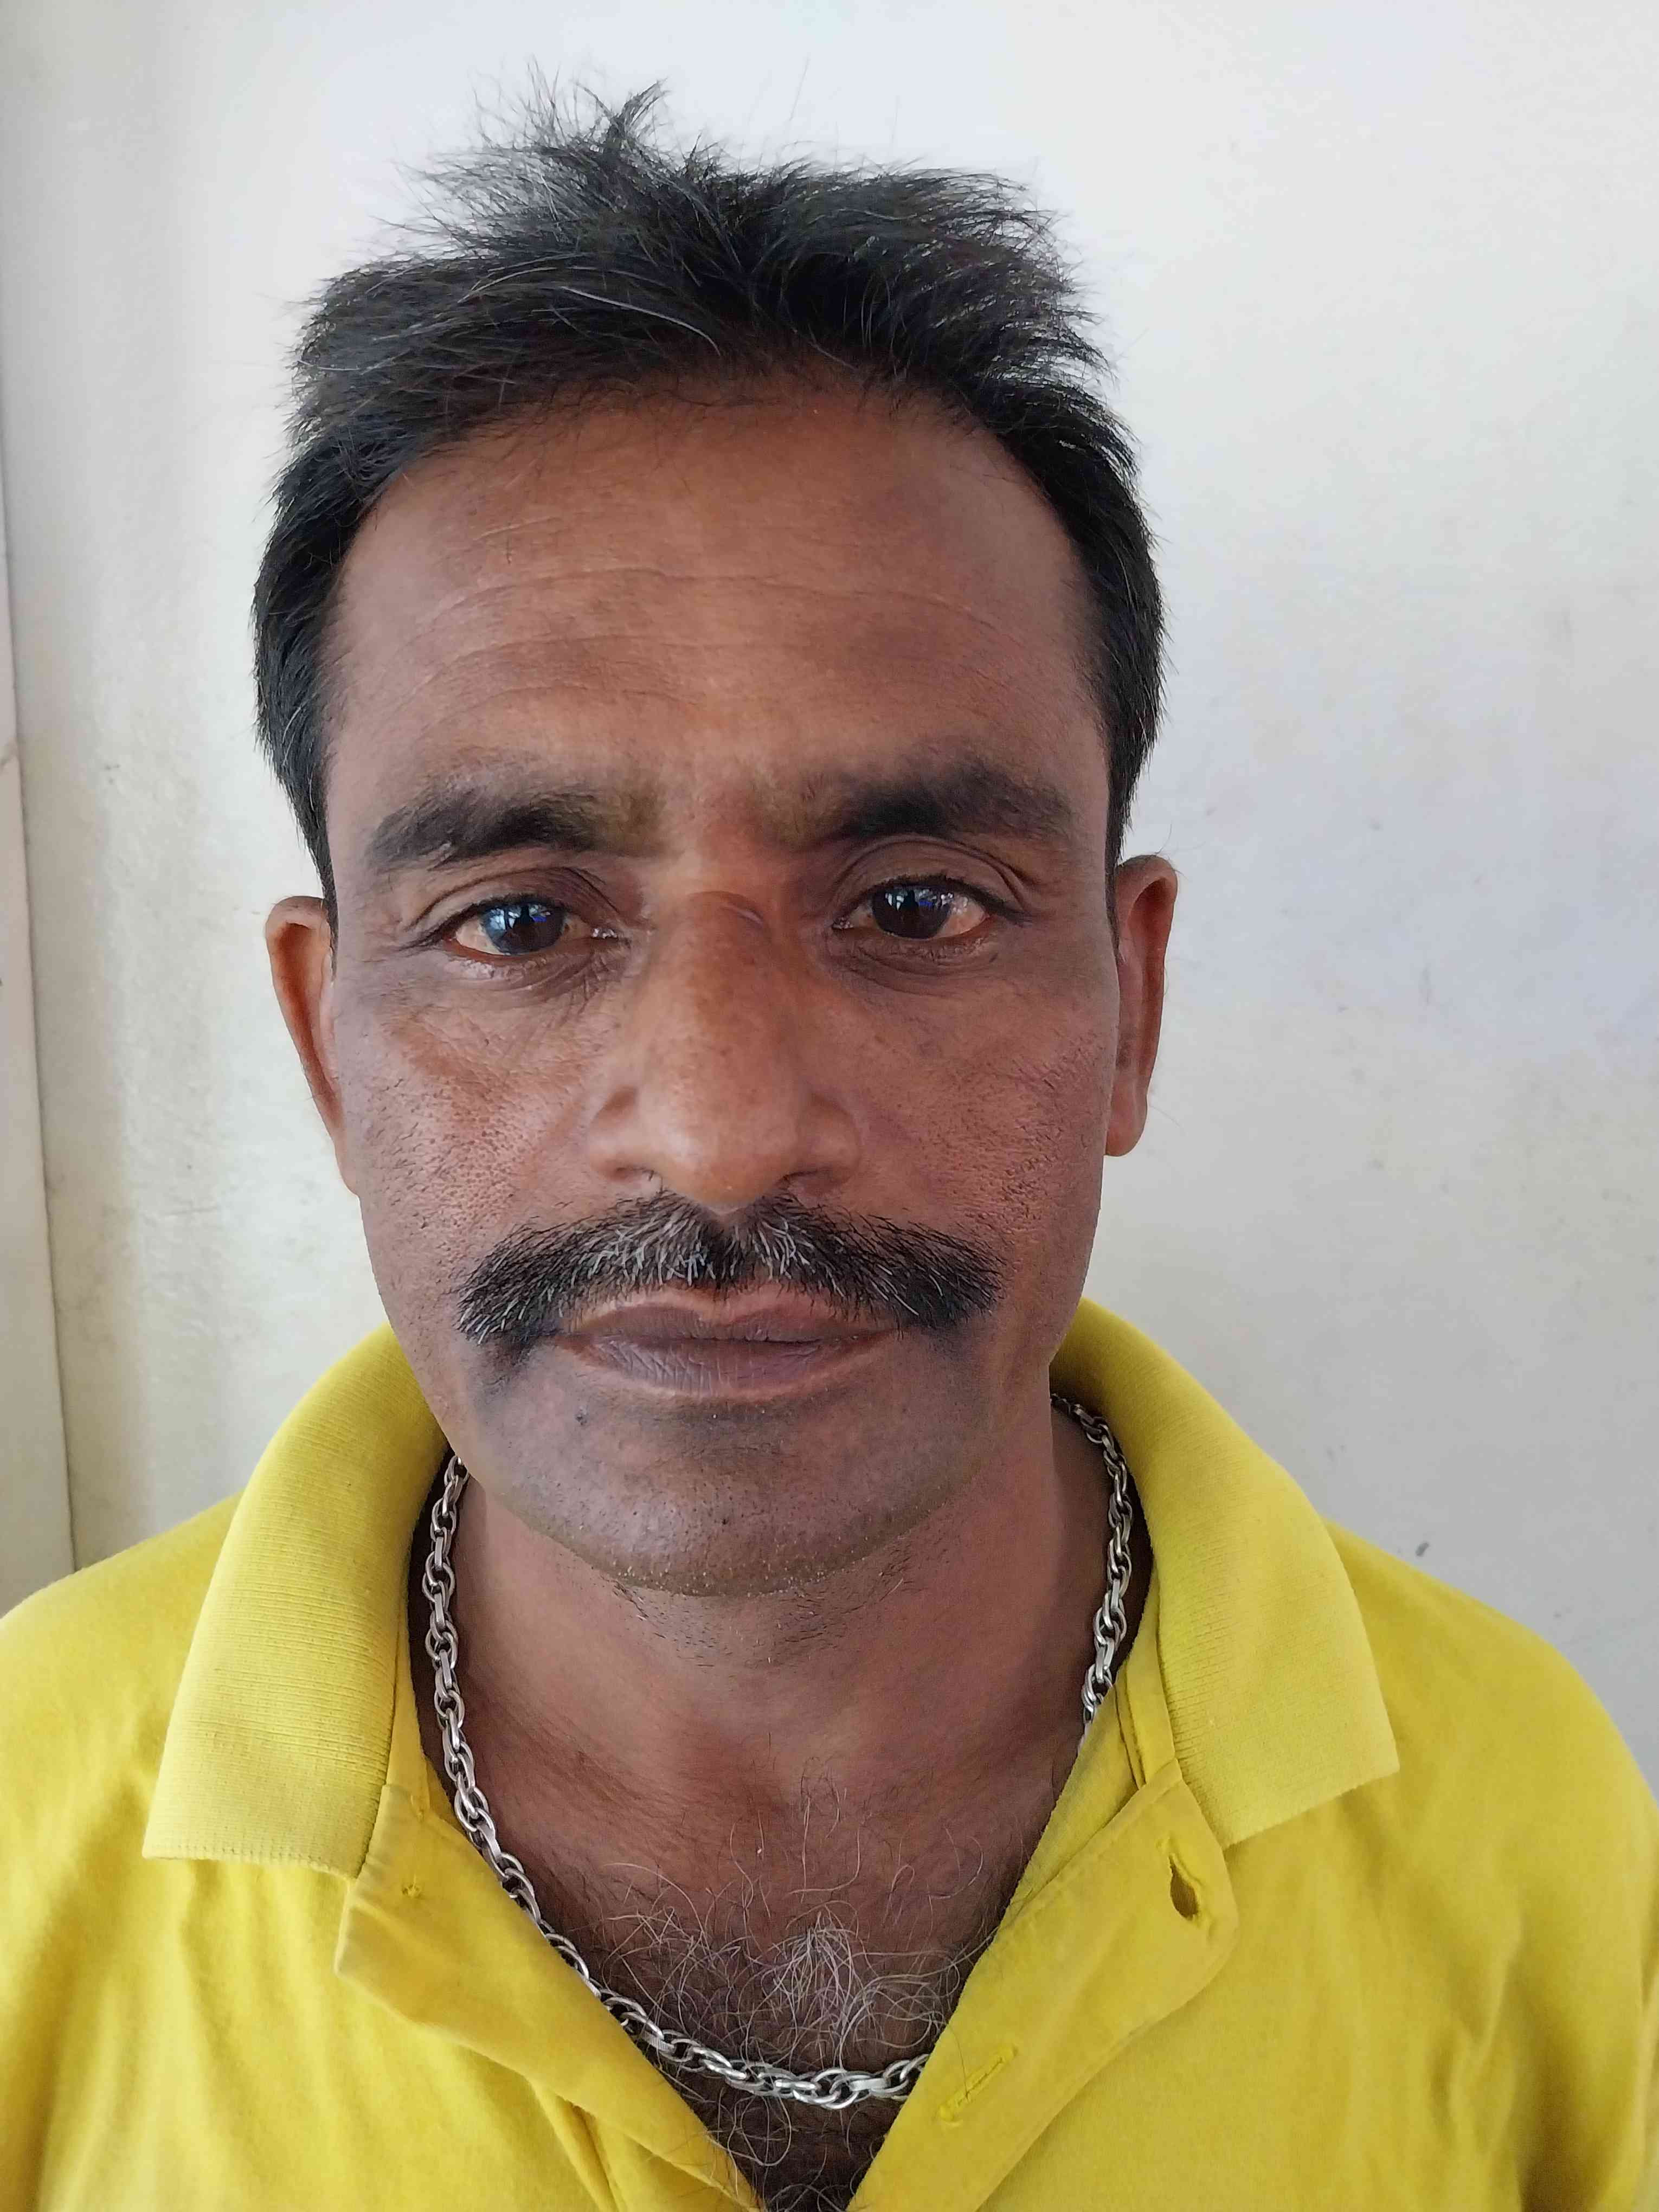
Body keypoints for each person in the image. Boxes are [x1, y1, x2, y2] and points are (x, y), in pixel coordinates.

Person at [2, 88, 1655, 2212]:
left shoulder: (1523, 1820)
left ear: (1131, 1002)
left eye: (915, 906)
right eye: (518, 924)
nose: (720, 1129)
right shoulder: (27, 1824)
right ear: (329, 1046)